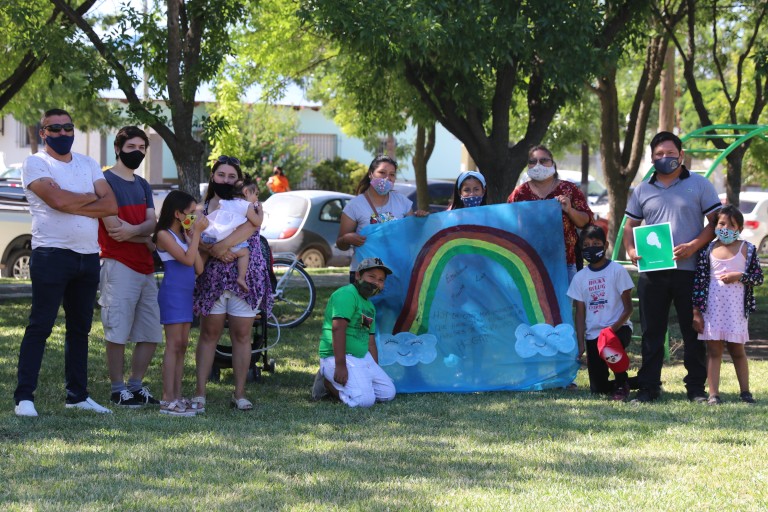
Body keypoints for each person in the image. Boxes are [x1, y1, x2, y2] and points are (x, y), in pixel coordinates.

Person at [14, 108, 118, 417]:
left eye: (68, 127)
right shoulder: (35, 163)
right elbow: (56, 201)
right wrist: (89, 197)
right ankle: (24, 398)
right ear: (43, 133)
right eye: (55, 128)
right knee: (40, 325)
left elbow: (111, 204)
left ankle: (77, 396)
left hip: (88, 255)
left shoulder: (88, 163)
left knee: (80, 329)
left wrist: (71, 200)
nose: (63, 133)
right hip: (52, 254)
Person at [624, 131, 722, 403]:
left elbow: (716, 223)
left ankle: (696, 388)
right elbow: (630, 225)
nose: (664, 158)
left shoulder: (700, 184)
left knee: (693, 331)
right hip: (652, 272)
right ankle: (649, 387)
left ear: (681, 155)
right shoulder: (642, 189)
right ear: (651, 158)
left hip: (690, 271)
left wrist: (693, 245)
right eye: (659, 154)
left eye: (670, 153)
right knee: (652, 332)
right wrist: (630, 249)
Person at [192, 156, 272, 411]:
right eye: (221, 175)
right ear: (212, 176)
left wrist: (219, 247)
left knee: (242, 335)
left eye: (231, 176)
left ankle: (239, 394)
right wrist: (213, 250)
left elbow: (250, 229)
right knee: (209, 334)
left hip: (245, 279)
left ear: (239, 180)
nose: (226, 180)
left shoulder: (249, 204)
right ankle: (200, 393)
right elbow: (193, 237)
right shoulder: (200, 208)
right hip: (212, 280)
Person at [98, 126, 163, 408]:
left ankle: (136, 386)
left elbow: (152, 223)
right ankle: (117, 390)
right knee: (117, 331)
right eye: (131, 147)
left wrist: (136, 232)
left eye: (141, 148)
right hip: (118, 264)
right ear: (117, 148)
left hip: (146, 268)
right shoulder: (104, 182)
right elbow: (114, 230)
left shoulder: (143, 184)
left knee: (151, 331)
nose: (137, 152)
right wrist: (144, 237)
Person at [692, 205, 763, 405]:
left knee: (737, 351)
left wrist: (739, 276)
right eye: (722, 224)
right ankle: (713, 394)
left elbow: (758, 278)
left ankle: (745, 392)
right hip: (712, 309)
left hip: (736, 310)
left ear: (739, 228)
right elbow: (699, 282)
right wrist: (696, 312)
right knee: (714, 351)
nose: (726, 228)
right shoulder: (707, 250)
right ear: (715, 226)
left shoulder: (748, 249)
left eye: (731, 225)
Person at [316, 257, 396, 407]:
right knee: (364, 401)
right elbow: (338, 328)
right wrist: (340, 365)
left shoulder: (369, 306)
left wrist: (375, 369)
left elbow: (370, 341)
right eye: (371, 276)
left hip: (362, 357)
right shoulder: (347, 294)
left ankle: (356, 384)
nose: (376, 283)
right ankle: (328, 383)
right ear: (358, 275)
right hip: (340, 357)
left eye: (381, 280)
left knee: (387, 393)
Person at [154, 190, 208, 416]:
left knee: (182, 345)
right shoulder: (163, 234)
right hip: (173, 294)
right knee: (173, 345)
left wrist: (192, 237)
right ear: (177, 213)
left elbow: (198, 268)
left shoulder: (183, 236)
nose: (195, 217)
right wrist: (196, 235)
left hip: (185, 295)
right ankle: (167, 399)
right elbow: (186, 260)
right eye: (191, 212)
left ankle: (176, 395)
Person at [567, 225, 634, 401]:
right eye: (586, 245)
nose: (591, 248)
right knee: (598, 389)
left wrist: (611, 330)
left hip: (618, 329)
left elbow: (629, 308)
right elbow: (580, 314)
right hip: (593, 335)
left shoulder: (617, 270)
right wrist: (581, 342)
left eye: (596, 244)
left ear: (606, 245)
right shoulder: (579, 278)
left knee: (609, 345)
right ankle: (634, 382)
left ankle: (621, 384)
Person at [508, 145, 593, 282]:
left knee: (564, 297)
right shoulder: (519, 193)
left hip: (565, 264)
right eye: (533, 161)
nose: (538, 165)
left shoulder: (569, 189)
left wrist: (570, 210)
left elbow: (586, 221)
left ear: (553, 163)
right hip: (529, 265)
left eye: (543, 160)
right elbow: (507, 223)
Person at [336, 155, 428, 282]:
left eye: (392, 174)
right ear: (370, 174)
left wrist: (419, 221)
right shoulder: (354, 206)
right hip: (364, 275)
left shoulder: (402, 202)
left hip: (396, 273)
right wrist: (346, 238)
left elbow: (412, 238)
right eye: (382, 172)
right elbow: (341, 244)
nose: (387, 178)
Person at [200, 180, 261, 292]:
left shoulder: (224, 202)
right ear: (246, 192)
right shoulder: (247, 206)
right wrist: (260, 212)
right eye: (256, 194)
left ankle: (196, 274)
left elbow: (214, 216)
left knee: (204, 252)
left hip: (212, 235)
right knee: (244, 253)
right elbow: (257, 222)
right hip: (230, 239)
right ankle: (241, 278)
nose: (256, 198)